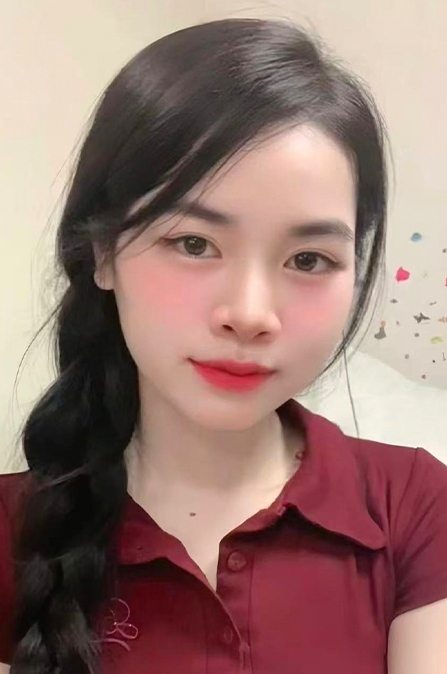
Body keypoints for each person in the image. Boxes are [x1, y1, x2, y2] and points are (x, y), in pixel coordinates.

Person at [0, 17, 446, 674]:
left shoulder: (414, 503)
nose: (250, 315)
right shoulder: (14, 529)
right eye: (193, 243)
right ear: (103, 254)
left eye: (309, 259)